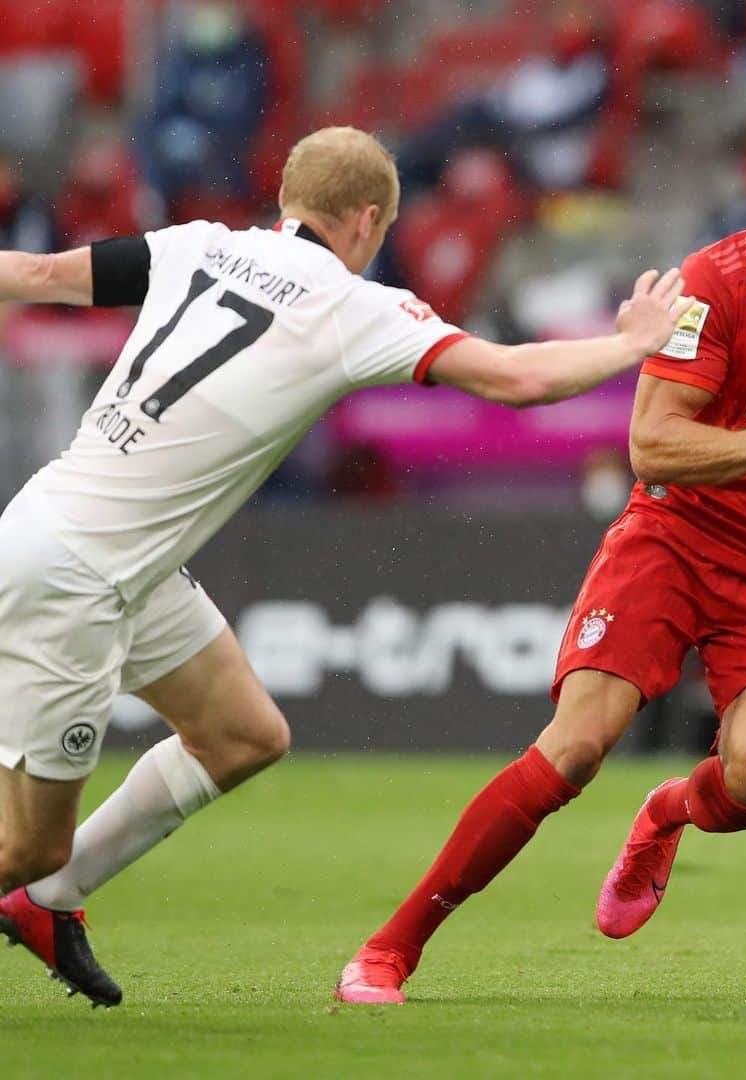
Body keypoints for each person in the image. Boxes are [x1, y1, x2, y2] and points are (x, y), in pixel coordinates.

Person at [0, 125, 689, 1008]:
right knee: (24, 845)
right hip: (79, 579)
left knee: (244, 735)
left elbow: (40, 275)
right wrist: (630, 344)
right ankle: (39, 884)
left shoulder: (199, 241)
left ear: (289, 195)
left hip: (79, 532)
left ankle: (49, 905)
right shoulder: (350, 305)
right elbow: (517, 378)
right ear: (368, 220)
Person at [337, 106, 746, 1005]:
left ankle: (666, 812)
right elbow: (653, 446)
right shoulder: (724, 281)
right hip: (677, 538)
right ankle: (392, 946)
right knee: (576, 749)